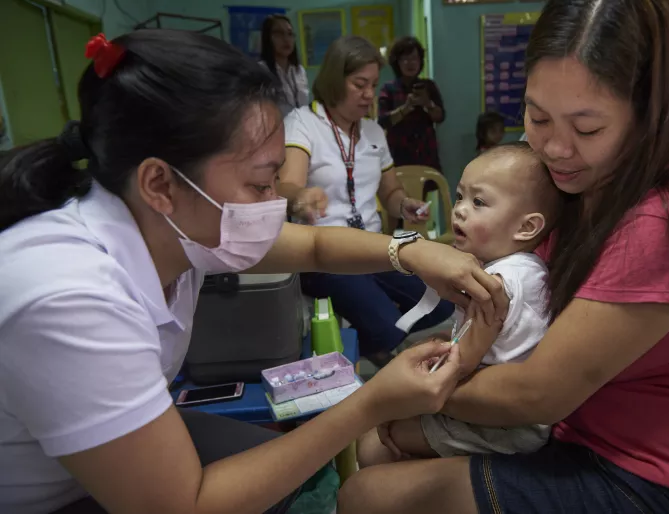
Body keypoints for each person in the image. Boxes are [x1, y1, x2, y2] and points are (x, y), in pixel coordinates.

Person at [0, 30, 509, 514]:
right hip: (46, 497)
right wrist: (368, 403)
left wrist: (411, 250)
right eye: (262, 184)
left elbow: (314, 245)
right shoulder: (70, 297)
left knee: (295, 475)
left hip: (83, 463)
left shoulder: (170, 222)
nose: (272, 205)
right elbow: (186, 504)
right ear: (160, 182)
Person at [337, 1, 669, 513]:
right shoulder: (569, 182)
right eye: (537, 116)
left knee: (368, 493)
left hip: (662, 481)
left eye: (587, 129)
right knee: (376, 447)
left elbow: (536, 394)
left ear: (650, 113)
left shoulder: (667, 218)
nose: (555, 148)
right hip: (575, 431)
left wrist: (407, 390)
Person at [357, 143, 561, 465]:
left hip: (506, 426)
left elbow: (461, 363)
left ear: (526, 227)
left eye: (479, 202)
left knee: (373, 445)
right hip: (505, 416)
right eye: (460, 197)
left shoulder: (497, 284)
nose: (460, 210)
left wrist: (397, 403)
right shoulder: (523, 268)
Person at [278, 35, 455, 368]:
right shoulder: (303, 123)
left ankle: (386, 350)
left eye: (373, 85)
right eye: (359, 84)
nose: (369, 95)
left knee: (441, 306)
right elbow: (285, 185)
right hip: (325, 254)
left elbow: (390, 194)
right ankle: (382, 356)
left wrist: (404, 204)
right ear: (334, 79)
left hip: (374, 249)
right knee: (388, 323)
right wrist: (300, 196)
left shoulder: (374, 132)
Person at [378, 36, 445, 176]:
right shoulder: (388, 89)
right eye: (405, 59)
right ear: (397, 62)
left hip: (425, 151)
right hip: (398, 152)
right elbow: (383, 122)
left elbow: (440, 117)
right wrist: (405, 108)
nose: (411, 63)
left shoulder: (429, 86)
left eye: (415, 59)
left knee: (424, 193)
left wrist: (428, 104)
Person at [259, 14, 309, 116]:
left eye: (290, 34)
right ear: (268, 38)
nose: (286, 39)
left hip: (301, 127)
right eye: (279, 34)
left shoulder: (299, 70)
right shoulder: (261, 70)